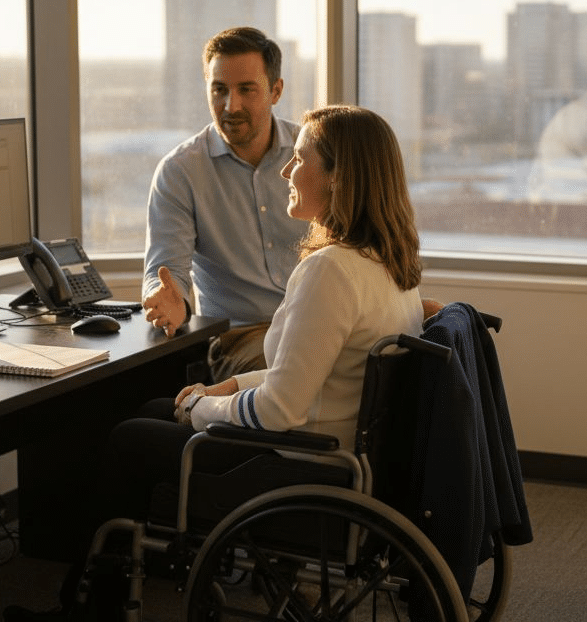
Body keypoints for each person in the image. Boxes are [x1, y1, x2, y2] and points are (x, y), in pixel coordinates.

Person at [101, 105, 425, 525]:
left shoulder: (330, 270)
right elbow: (308, 374)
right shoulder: (388, 262)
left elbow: (279, 410)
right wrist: (229, 387)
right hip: (341, 450)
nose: (287, 171)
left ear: (337, 177)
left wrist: (202, 408)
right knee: (155, 407)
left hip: (305, 463)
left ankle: (107, 578)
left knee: (131, 436)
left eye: (301, 158)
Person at [140, 26, 308, 380]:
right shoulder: (180, 171)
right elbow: (168, 272)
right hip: (242, 339)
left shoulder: (312, 154)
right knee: (300, 374)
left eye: (246, 89)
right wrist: (171, 301)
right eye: (219, 90)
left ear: (276, 91)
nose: (231, 106)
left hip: (320, 323)